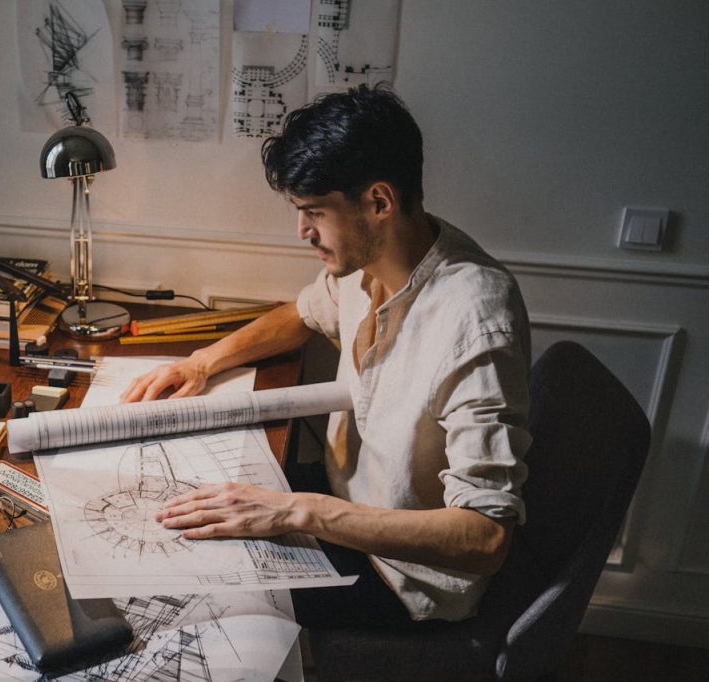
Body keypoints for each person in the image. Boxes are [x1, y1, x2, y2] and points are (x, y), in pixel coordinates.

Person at [121, 84, 531, 627]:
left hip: (401, 579)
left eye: (313, 211)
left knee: (176, 593)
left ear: (379, 202)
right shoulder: (369, 262)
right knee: (171, 524)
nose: (302, 231)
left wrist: (300, 510)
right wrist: (202, 361)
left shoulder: (475, 318)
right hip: (339, 506)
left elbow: (485, 537)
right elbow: (302, 313)